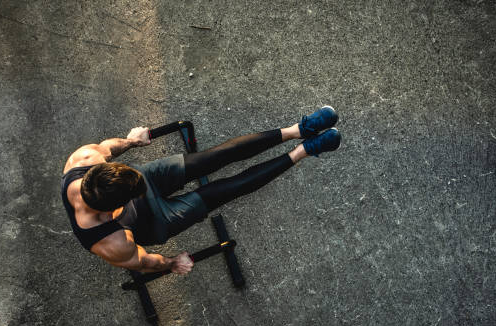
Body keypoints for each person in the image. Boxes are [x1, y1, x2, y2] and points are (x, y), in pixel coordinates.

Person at [61, 107, 341, 276]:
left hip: (146, 180)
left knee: (218, 155)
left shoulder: (82, 161)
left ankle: (298, 130)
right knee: (229, 188)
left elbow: (108, 147)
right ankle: (305, 150)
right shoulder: (111, 244)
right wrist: (171, 263)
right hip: (157, 220)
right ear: (113, 209)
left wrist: (132, 142)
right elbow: (144, 261)